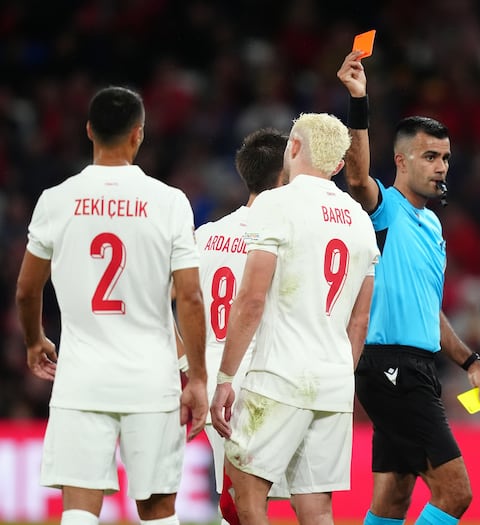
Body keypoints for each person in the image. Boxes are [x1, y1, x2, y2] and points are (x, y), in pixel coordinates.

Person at [15, 86, 208, 525]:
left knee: (79, 511)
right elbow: (191, 297)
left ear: (88, 131)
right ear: (138, 135)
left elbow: (27, 290)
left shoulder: (56, 199)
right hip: (151, 380)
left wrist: (34, 340)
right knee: (158, 511)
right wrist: (196, 376)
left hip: (81, 379)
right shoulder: (169, 201)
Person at [338, 50, 480, 525]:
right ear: (401, 161)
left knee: (391, 500)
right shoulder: (383, 209)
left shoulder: (431, 227)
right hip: (391, 369)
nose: (441, 167)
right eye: (430, 157)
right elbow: (355, 176)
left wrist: (470, 363)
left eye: (446, 158)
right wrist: (359, 101)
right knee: (456, 494)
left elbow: (427, 310)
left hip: (417, 367)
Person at [210, 112, 379, 525]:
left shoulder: (275, 203)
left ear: (294, 148)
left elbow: (250, 299)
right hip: (335, 380)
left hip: (281, 374)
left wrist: (226, 378)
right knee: (317, 505)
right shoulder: (361, 219)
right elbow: (360, 319)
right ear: (339, 165)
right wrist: (341, 369)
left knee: (247, 489)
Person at [194, 128, 290, 525]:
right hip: (263, 381)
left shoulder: (206, 235)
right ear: (286, 175)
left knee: (234, 504)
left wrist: (191, 373)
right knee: (267, 504)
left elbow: (176, 313)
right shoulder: (283, 238)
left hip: (216, 386)